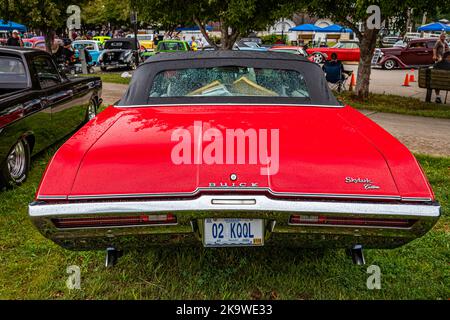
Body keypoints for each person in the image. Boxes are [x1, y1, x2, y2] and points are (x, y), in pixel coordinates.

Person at [432, 32, 449, 103]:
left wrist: (447, 49)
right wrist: (434, 55)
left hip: (443, 57)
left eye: (444, 36)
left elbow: (447, 48)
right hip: (439, 57)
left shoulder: (445, 42)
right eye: (442, 36)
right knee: (439, 67)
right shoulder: (438, 41)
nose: (443, 37)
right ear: (440, 36)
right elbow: (434, 48)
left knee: (437, 70)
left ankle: (437, 96)